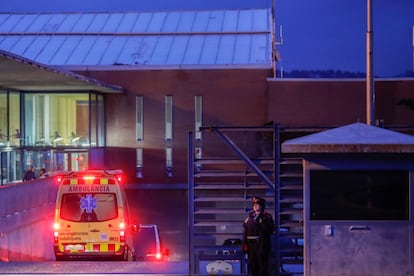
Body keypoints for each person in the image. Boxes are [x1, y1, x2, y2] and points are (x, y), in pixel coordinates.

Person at [243, 196, 275, 276]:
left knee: (262, 266)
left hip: (261, 244)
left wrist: (262, 222)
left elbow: (270, 229)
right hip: (251, 244)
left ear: (262, 206)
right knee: (252, 265)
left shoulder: (266, 217)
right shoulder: (250, 217)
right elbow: (246, 231)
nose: (255, 206)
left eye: (257, 205)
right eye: (254, 205)